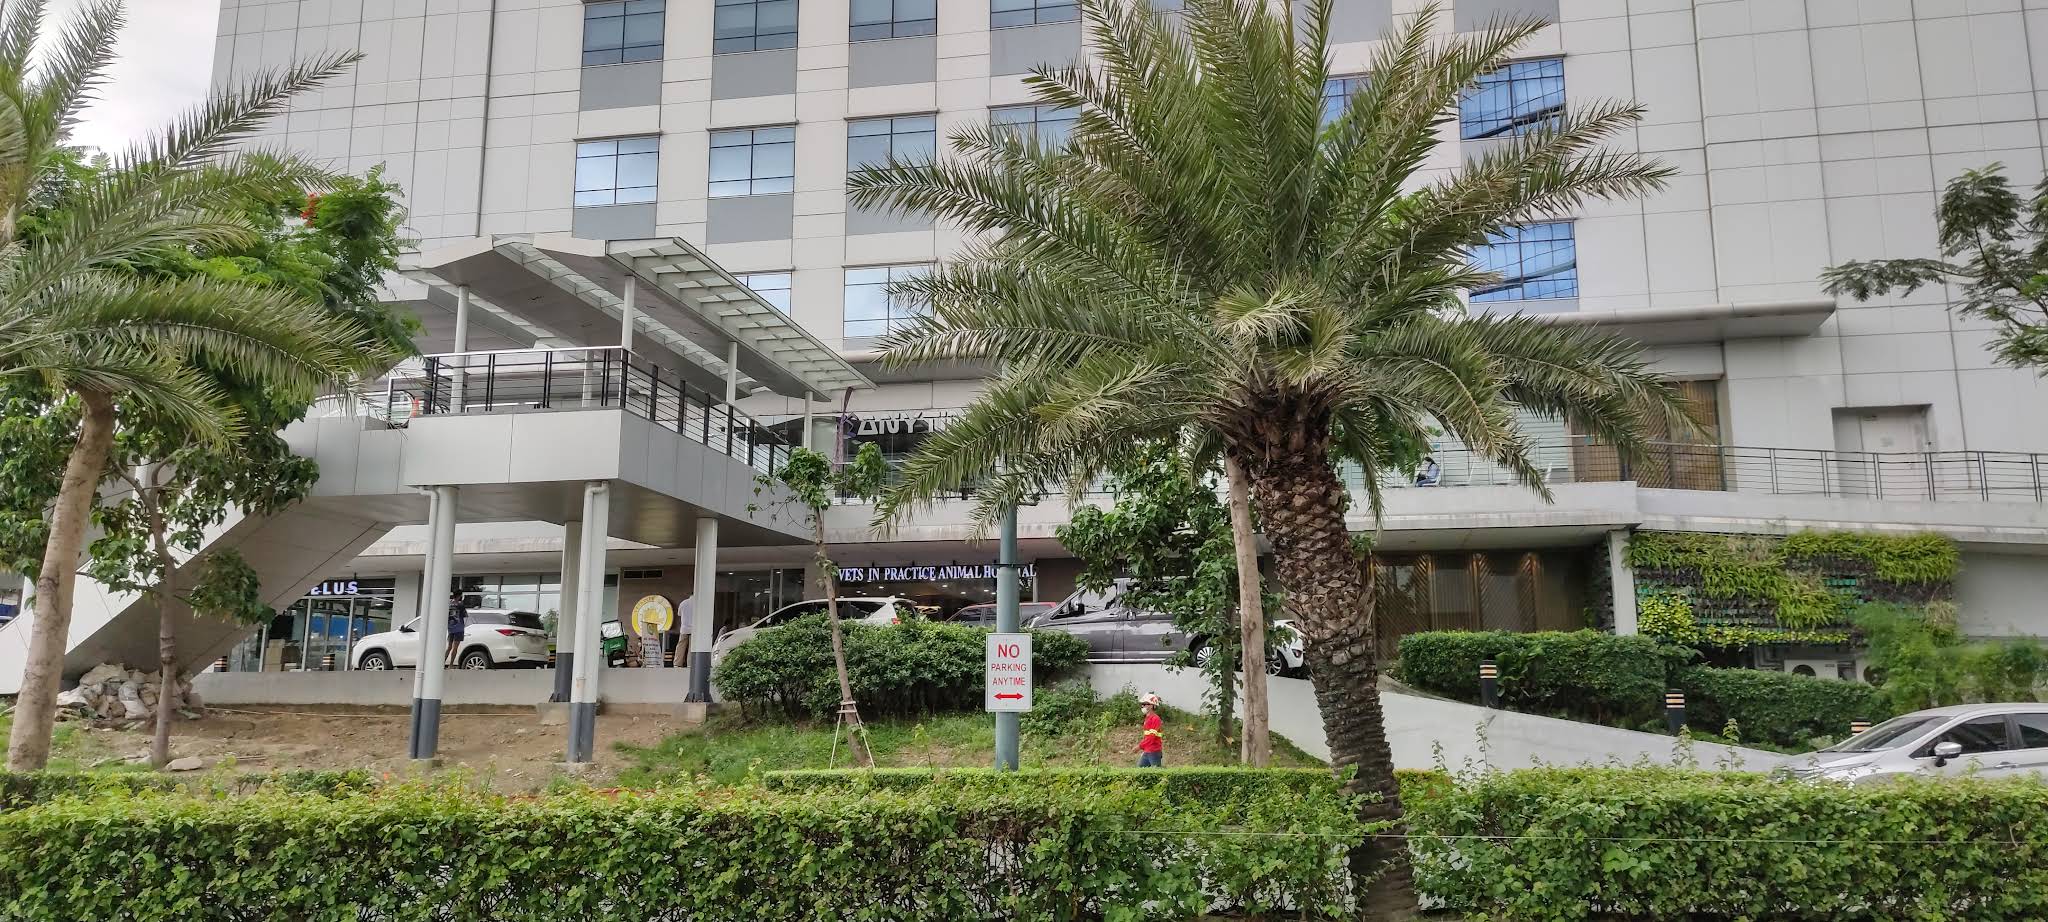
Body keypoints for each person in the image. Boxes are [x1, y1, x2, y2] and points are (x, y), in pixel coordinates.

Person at [1135, 693, 1165, 768]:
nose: (1143, 706)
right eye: (1142, 704)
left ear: (1151, 706)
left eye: (1145, 704)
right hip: (1147, 751)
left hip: (1154, 752)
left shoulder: (1155, 719)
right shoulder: (1147, 719)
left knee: (1156, 772)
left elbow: (1151, 737)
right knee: (1140, 771)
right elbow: (1147, 737)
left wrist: (1139, 746)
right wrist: (1143, 747)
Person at [444, 592, 469, 667]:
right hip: (459, 628)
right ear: (459, 596)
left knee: (449, 647)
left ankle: (442, 663)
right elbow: (465, 615)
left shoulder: (448, 604)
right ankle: (451, 664)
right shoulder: (460, 605)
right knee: (455, 648)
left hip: (451, 627)